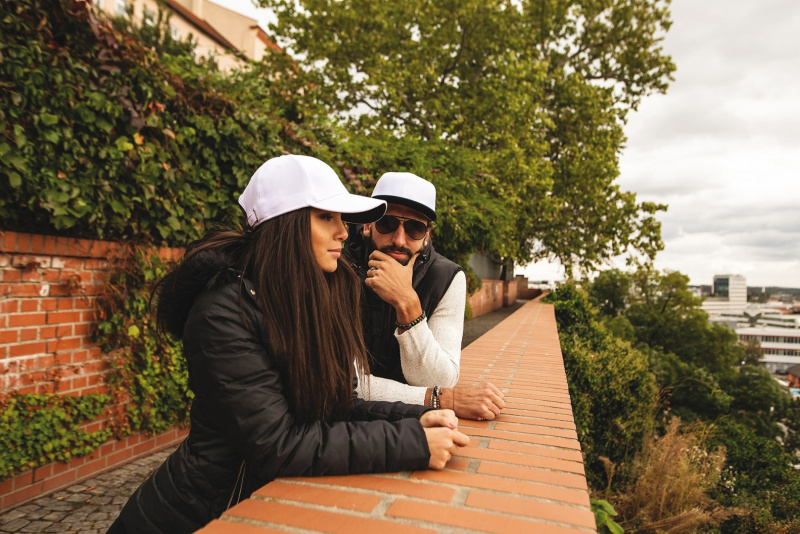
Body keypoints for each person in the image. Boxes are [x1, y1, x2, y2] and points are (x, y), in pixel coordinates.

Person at [107, 155, 469, 534]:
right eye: (326, 217)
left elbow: (338, 404)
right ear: (288, 224)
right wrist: (412, 442)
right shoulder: (224, 311)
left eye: (341, 219)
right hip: (194, 515)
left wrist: (412, 418)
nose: (343, 233)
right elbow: (276, 445)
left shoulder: (309, 297)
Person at [343, 172, 505, 421]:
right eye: (387, 223)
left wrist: (407, 303)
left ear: (427, 235)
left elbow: (440, 379)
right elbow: (340, 381)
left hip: (411, 425)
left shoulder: (446, 278)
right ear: (368, 225)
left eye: (415, 228)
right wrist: (439, 399)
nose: (399, 240)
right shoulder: (337, 268)